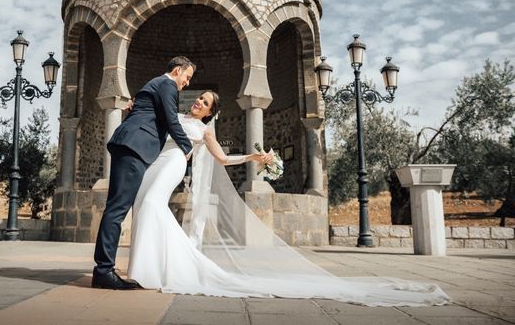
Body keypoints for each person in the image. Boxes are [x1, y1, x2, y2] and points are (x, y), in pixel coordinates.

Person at [127, 91, 451, 307]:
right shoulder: (177, 118)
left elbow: (223, 161)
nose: (198, 102)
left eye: (205, 101)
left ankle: (159, 266)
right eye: (199, 98)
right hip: (155, 165)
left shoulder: (205, 131)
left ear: (211, 112)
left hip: (171, 168)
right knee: (145, 207)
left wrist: (253, 159)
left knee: (154, 206)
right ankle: (152, 265)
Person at [92, 56, 195, 290]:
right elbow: (170, 120)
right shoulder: (167, 84)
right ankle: (103, 271)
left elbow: (145, 112)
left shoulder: (155, 84)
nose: (187, 83)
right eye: (187, 77)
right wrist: (187, 147)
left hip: (131, 145)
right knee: (117, 209)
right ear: (177, 71)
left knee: (116, 208)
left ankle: (104, 268)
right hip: (134, 148)